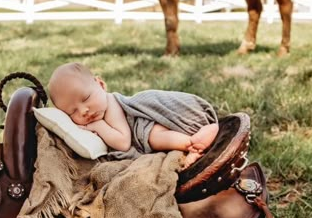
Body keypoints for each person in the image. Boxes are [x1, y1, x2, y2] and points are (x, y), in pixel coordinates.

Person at [48, 62, 219, 167]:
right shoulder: (95, 112)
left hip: (149, 124)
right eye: (72, 111)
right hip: (150, 128)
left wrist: (98, 126)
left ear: (100, 84)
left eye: (86, 98)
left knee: (154, 136)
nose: (84, 111)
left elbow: (123, 142)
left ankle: (192, 144)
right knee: (155, 135)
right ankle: (195, 142)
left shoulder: (112, 103)